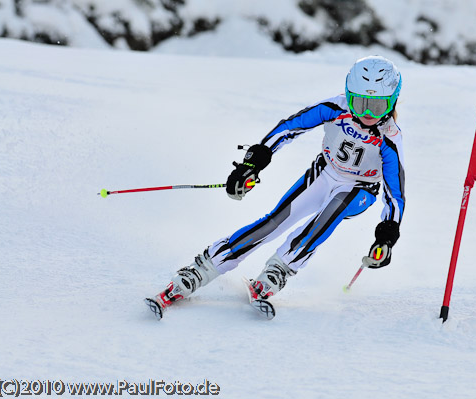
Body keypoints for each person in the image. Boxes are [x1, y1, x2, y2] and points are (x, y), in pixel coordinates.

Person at [146, 55, 405, 319]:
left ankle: (278, 270)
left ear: (392, 101)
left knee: (328, 216)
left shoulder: (390, 139)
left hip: (360, 188)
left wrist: (386, 235)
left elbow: (395, 195)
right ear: (348, 95)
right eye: (359, 103)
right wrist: (253, 164)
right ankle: (203, 268)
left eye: (376, 106)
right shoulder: (334, 107)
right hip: (325, 173)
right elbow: (289, 128)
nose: (366, 113)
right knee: (275, 222)